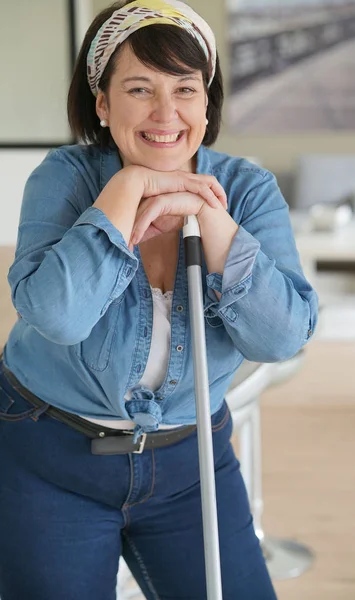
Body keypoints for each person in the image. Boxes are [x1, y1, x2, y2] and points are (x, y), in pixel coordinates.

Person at [0, 1, 318, 598]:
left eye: (185, 89)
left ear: (206, 101)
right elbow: (58, 317)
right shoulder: (65, 178)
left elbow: (283, 337)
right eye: (140, 88)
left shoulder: (248, 189)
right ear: (103, 104)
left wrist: (209, 217)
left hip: (189, 463)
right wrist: (126, 189)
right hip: (47, 456)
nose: (166, 112)